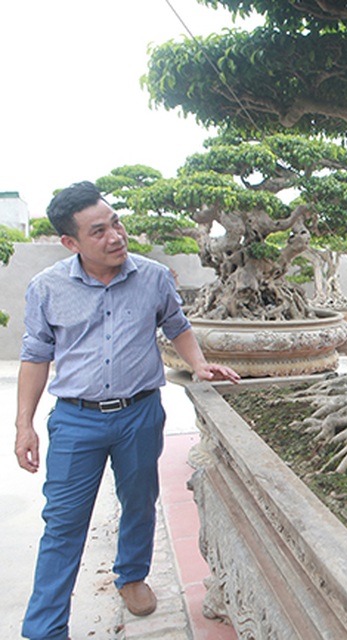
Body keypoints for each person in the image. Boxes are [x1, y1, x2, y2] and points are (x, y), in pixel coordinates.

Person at [14, 181, 240, 640]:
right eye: (98, 231)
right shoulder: (47, 287)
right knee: (63, 523)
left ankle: (132, 577)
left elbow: (177, 325)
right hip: (76, 419)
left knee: (139, 501)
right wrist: (24, 424)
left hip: (140, 414)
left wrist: (198, 364)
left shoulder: (153, 276)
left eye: (115, 222)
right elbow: (36, 356)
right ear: (70, 242)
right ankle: (44, 629)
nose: (116, 236)